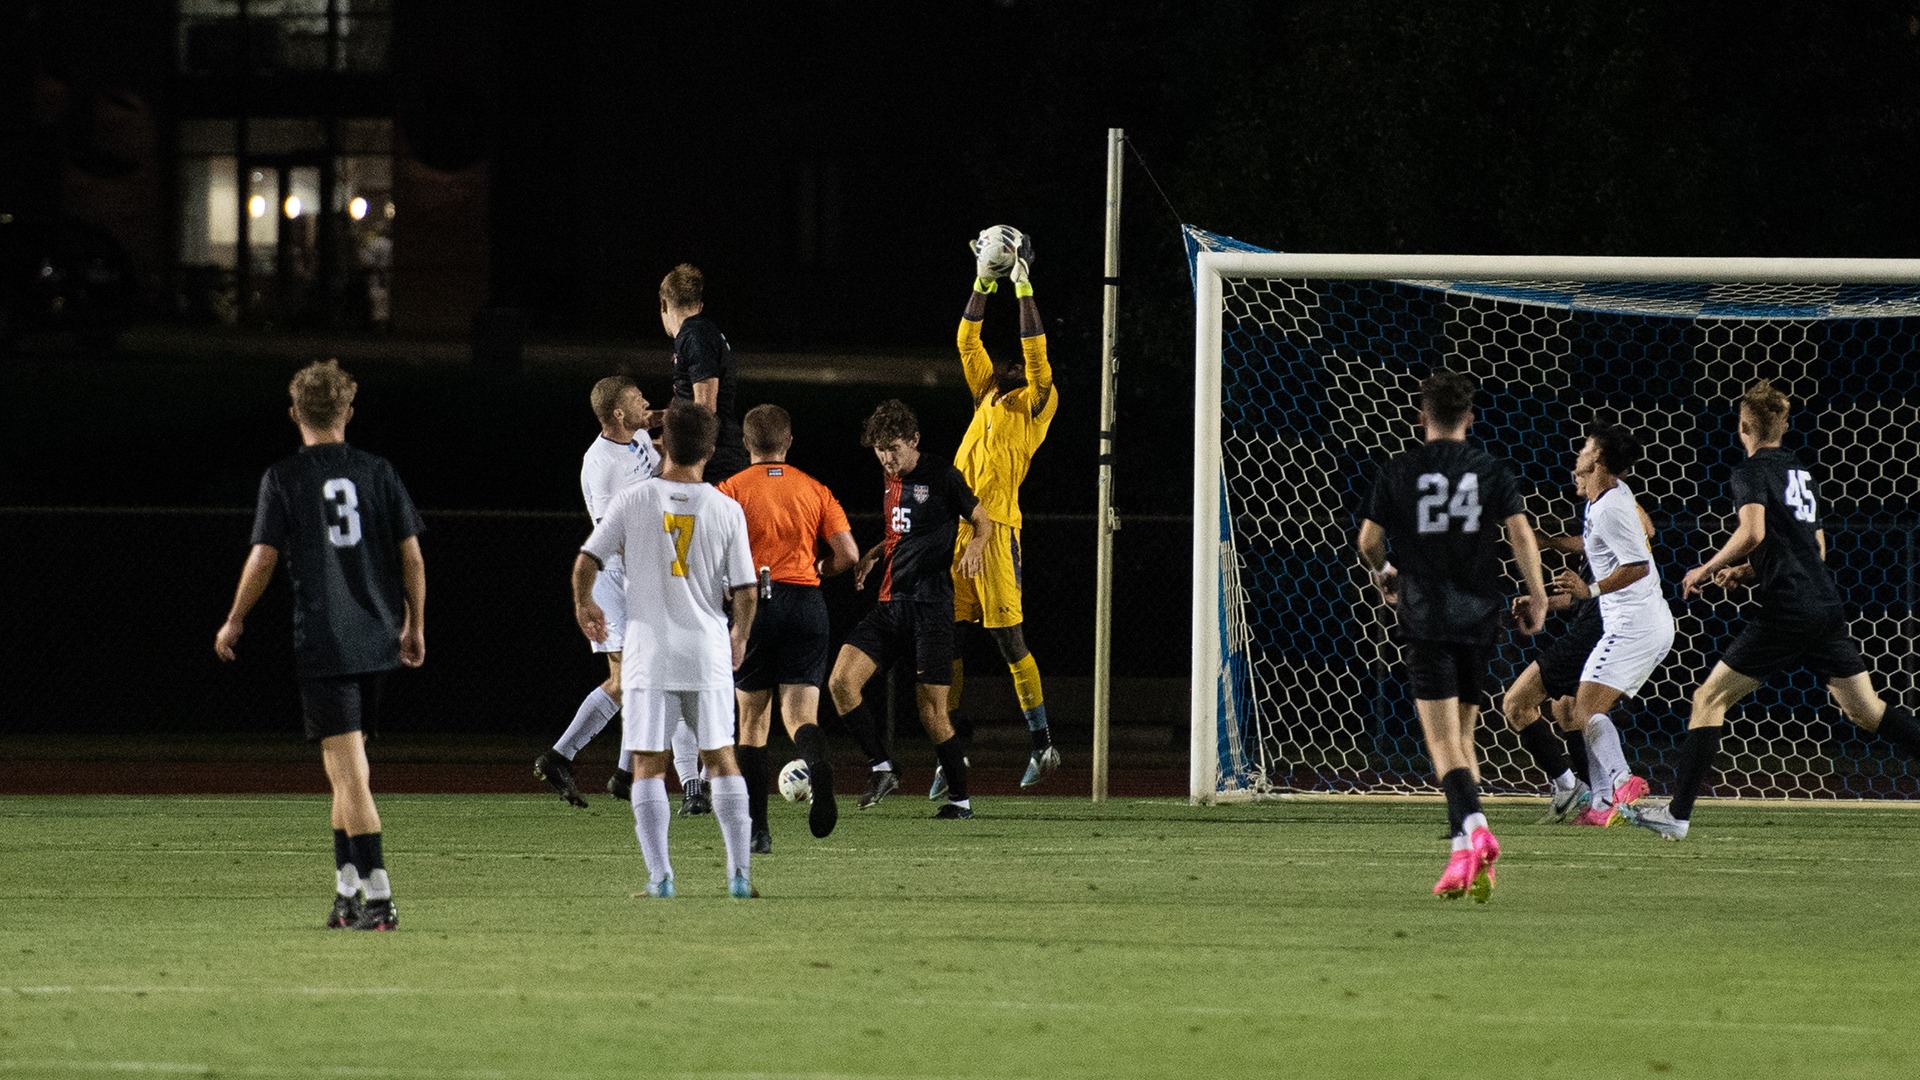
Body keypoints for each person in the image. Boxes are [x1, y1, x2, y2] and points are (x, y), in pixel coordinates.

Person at [1623, 379, 1920, 840]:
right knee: (1866, 710)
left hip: (1788, 609)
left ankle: (1676, 816)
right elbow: (1815, 548)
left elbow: (1753, 533)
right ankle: (1676, 814)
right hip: (1824, 605)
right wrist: (1746, 572)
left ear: (1744, 427)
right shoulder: (1801, 473)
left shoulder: (1749, 472)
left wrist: (1707, 567)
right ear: (1783, 426)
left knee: (1708, 698)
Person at [214, 359, 424, 931]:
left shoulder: (284, 477)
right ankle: (346, 895)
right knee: (346, 768)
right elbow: (411, 555)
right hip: (378, 636)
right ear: (348, 411)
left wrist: (234, 619)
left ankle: (379, 899)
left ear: (294, 414)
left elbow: (263, 557)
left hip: (327, 641)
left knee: (349, 774)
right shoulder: (378, 470)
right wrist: (415, 624)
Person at [1357, 370, 1547, 901]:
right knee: (1463, 737)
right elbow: (1520, 533)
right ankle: (1466, 856)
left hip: (1428, 617)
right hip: (1480, 616)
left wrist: (1385, 572)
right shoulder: (1489, 468)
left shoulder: (1399, 469)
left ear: (1422, 416)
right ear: (1470, 418)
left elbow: (1368, 542)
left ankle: (1476, 828)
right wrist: (1536, 595)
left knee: (1442, 744)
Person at [573, 401, 760, 897]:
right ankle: (740, 876)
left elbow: (587, 559)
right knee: (721, 758)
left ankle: (660, 878)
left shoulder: (633, 499)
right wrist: (740, 635)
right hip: (706, 649)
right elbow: (745, 589)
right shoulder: (726, 508)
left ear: (664, 445)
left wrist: (584, 603)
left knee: (647, 764)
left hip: (649, 651)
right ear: (711, 450)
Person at [534, 376, 706, 812]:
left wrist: (679, 418)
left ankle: (620, 774)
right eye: (636, 400)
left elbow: (661, 453)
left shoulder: (640, 439)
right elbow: (612, 530)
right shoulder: (600, 462)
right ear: (616, 414)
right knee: (631, 679)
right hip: (616, 577)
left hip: (641, 577)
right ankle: (564, 758)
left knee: (647, 678)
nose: (645, 402)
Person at [933, 226, 1062, 799]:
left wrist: (1023, 285)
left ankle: (1042, 742)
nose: (1006, 364)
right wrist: (983, 283)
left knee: (1009, 639)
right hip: (958, 532)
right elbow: (967, 339)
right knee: (950, 639)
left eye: (1013, 362)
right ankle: (950, 750)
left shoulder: (1037, 401)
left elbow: (1036, 355)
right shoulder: (985, 392)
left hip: (1000, 531)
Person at [828, 399, 992, 818]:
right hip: (889, 606)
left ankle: (960, 801)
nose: (887, 458)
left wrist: (976, 545)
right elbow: (904, 534)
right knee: (841, 683)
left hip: (931, 610)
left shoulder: (942, 476)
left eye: (894, 449)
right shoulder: (890, 477)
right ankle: (883, 767)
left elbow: (983, 519)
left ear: (914, 440)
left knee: (931, 713)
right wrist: (875, 553)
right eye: (880, 450)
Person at [716, 405, 861, 850]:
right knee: (800, 716)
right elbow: (849, 554)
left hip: (755, 601)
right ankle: (818, 765)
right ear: (789, 442)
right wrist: (819, 567)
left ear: (746, 443)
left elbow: (713, 552)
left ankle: (758, 831)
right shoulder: (815, 489)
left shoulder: (730, 490)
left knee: (752, 721)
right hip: (806, 604)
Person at [1501, 452, 1659, 825]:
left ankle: (1580, 786)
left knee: (1517, 703)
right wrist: (1541, 600)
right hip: (1594, 621)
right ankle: (1601, 800)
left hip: (1601, 626)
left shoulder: (1614, 506)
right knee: (1567, 708)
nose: (1575, 474)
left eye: (1582, 466)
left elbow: (1646, 530)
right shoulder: (1597, 526)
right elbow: (1580, 595)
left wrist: (1552, 543)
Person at [655, 263, 748, 483]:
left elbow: (705, 407)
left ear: (663, 304)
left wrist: (680, 453)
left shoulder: (696, 334)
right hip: (710, 455)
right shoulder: (695, 333)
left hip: (714, 462)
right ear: (699, 305)